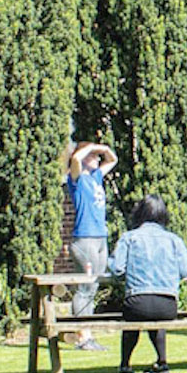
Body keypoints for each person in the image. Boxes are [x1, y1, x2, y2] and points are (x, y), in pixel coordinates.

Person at [106, 195, 187, 373]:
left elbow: (117, 269)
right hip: (167, 304)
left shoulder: (129, 238)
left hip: (137, 301)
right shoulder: (174, 239)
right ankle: (162, 364)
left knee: (132, 322)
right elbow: (186, 270)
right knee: (156, 320)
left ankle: (125, 367)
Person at [62, 140, 117, 352]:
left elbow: (113, 159)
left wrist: (102, 149)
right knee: (84, 288)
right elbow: (75, 159)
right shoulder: (76, 178)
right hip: (85, 238)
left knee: (93, 287)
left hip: (100, 237)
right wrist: (89, 148)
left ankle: (88, 334)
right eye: (93, 156)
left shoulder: (96, 177)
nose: (97, 159)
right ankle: (82, 337)